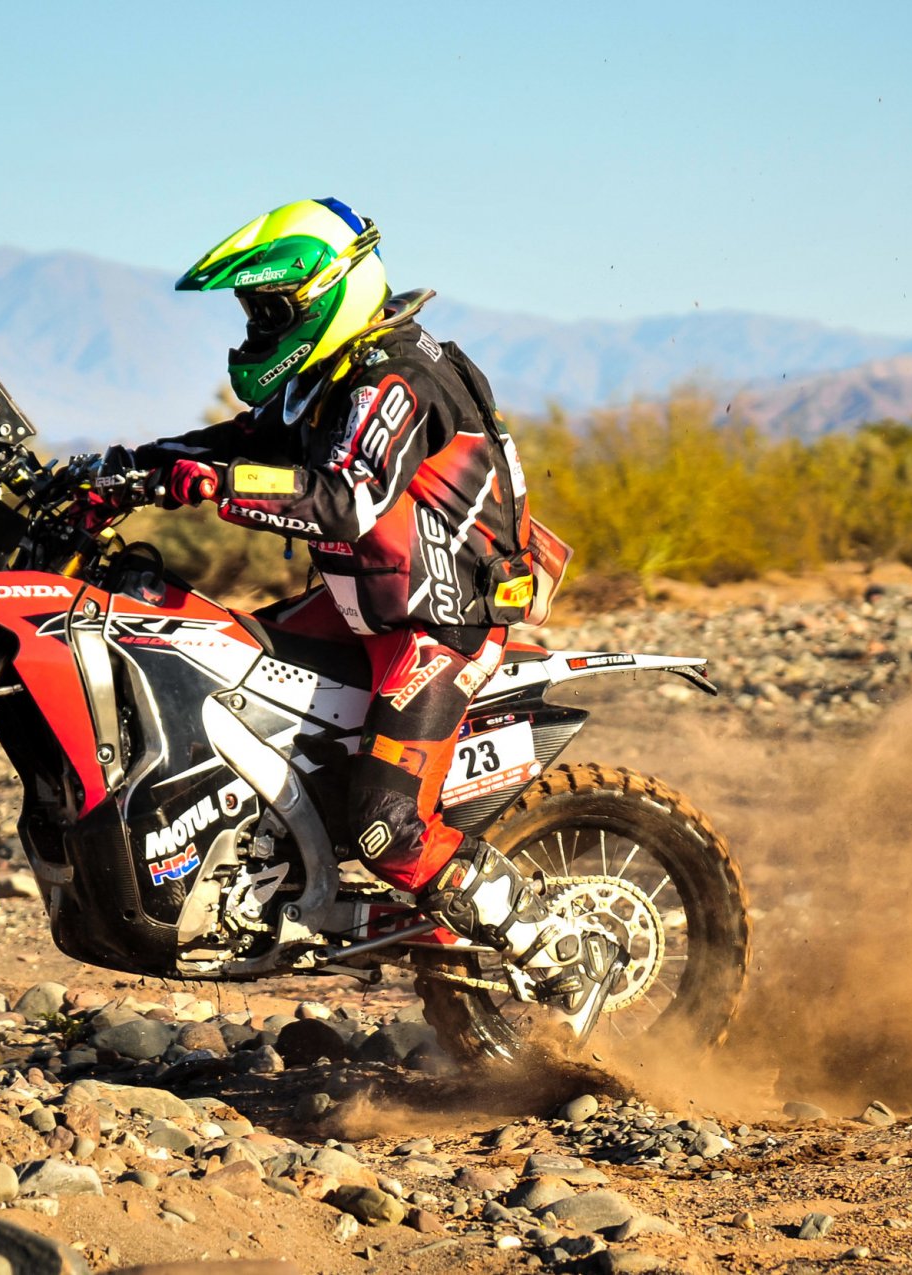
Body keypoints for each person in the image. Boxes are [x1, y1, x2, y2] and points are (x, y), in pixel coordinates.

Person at [89, 197, 620, 1038]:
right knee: (214, 670)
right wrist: (123, 468)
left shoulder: (396, 376)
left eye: (270, 311)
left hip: (442, 624)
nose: (257, 328)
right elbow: (245, 438)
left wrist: (209, 488)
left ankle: (561, 951)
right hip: (365, 607)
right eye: (252, 312)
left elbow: (345, 498)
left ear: (327, 294)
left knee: (387, 824)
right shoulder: (330, 376)